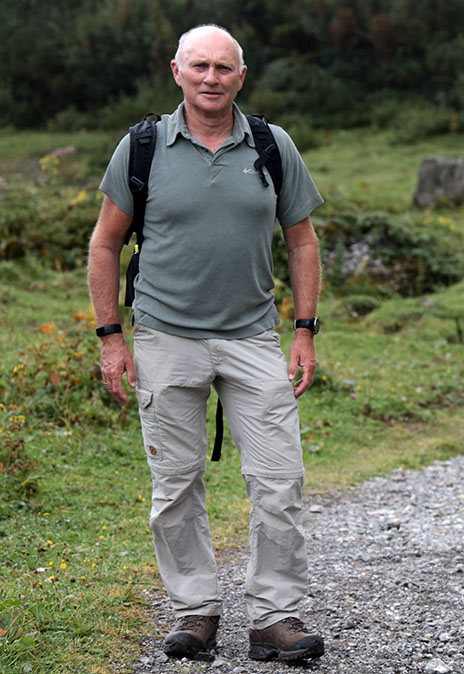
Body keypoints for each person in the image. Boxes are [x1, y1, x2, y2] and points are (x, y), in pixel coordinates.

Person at [87, 24, 326, 662]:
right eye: (200, 67)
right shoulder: (141, 148)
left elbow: (302, 241)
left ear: (240, 76)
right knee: (175, 484)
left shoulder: (272, 146)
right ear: (177, 72)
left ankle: (274, 617)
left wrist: (304, 330)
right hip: (165, 337)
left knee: (280, 480)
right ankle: (196, 611)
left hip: (253, 338)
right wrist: (113, 339)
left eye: (224, 67)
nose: (211, 77)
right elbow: (105, 243)